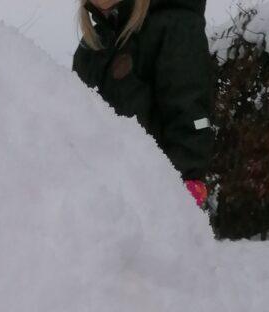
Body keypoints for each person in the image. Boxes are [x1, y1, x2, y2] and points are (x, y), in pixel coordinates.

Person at [73, 0, 215, 208]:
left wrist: (184, 182)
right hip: (99, 204)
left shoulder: (173, 25)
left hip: (153, 203)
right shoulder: (90, 47)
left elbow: (189, 112)